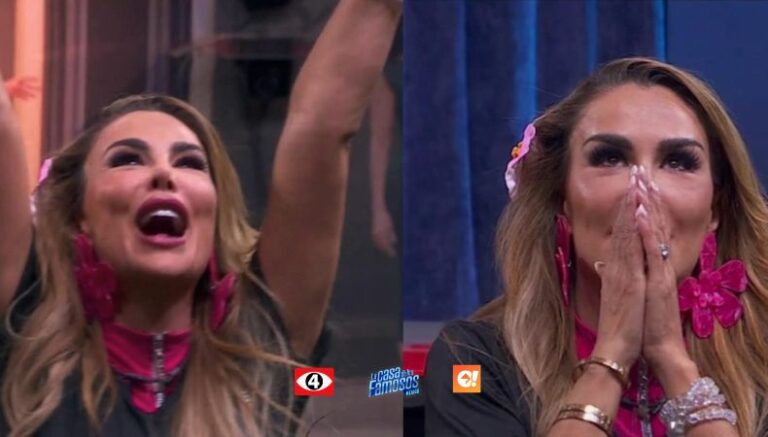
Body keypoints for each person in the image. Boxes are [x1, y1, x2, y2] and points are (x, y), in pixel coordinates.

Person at [0, 1, 401, 436]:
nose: (164, 174)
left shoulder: (259, 346)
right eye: (128, 159)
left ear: (213, 209)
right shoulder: (26, 331)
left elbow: (322, 126)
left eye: (189, 162)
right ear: (80, 214)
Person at [424, 58, 768, 437]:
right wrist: (610, 358)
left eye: (677, 162)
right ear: (563, 200)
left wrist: (672, 360)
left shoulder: (761, 357)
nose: (642, 192)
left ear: (715, 208)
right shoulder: (471, 362)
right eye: (610, 158)